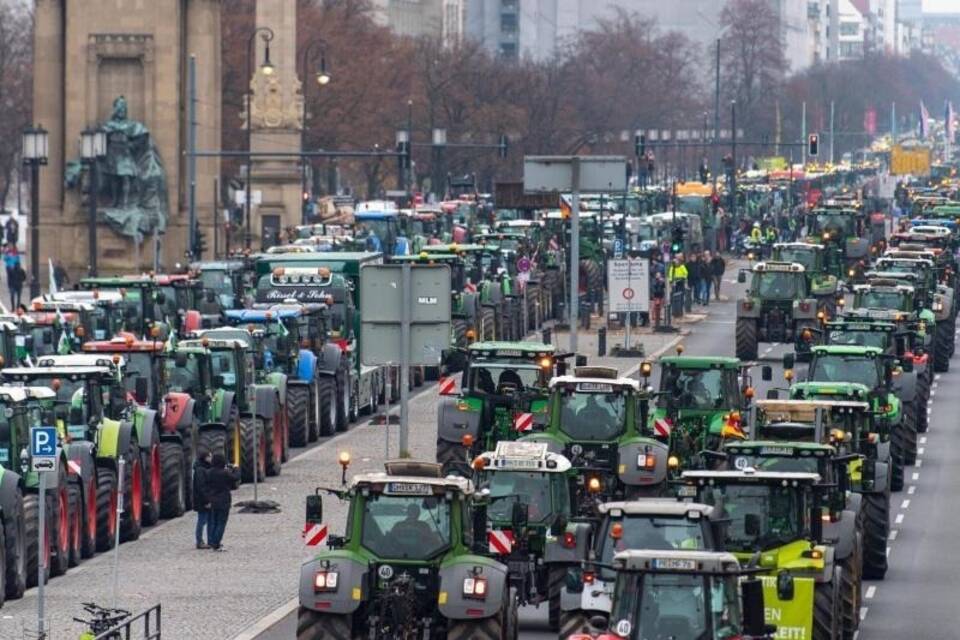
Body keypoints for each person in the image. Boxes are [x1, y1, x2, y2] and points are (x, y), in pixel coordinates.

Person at [205, 452, 240, 551]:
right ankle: (216, 543)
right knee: (221, 523)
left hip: (213, 500)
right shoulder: (225, 473)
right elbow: (236, 478)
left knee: (214, 522)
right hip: (224, 500)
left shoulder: (209, 472)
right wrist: (236, 468)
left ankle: (212, 542)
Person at [193, 449, 212, 549]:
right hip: (202, 501)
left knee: (207, 520)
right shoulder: (200, 470)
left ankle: (209, 540)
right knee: (202, 521)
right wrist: (207, 501)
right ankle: (199, 541)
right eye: (210, 456)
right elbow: (201, 487)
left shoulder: (203, 468)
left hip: (204, 499)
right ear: (206, 458)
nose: (211, 458)